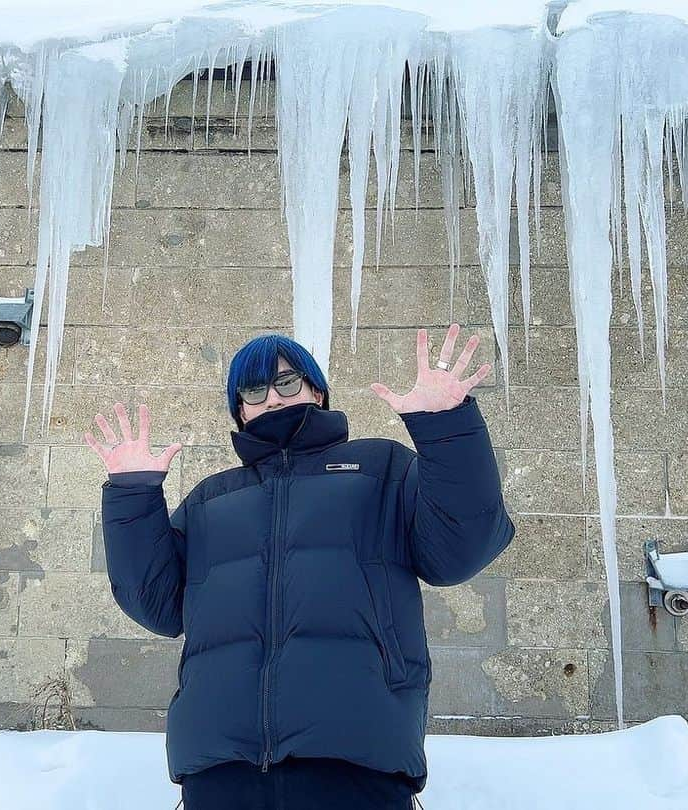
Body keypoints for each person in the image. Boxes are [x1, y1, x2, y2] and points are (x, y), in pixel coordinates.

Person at [86, 324, 515, 810]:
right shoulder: (210, 500)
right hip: (222, 773)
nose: (272, 397)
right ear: (239, 409)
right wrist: (132, 496)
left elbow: (461, 548)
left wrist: (446, 426)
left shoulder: (381, 469)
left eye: (287, 382)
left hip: (356, 763)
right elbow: (158, 605)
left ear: (316, 390)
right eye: (254, 389)